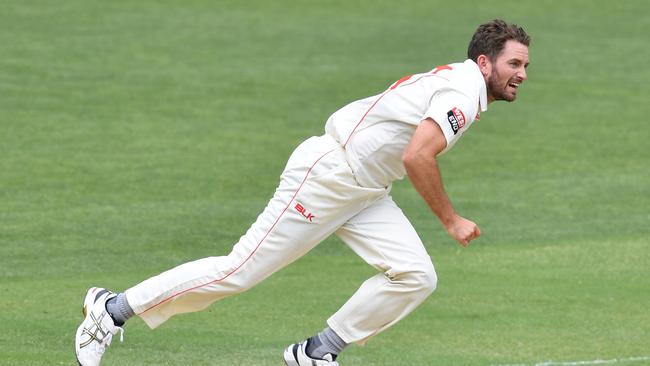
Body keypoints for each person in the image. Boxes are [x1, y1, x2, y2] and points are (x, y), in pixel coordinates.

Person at [75, 19, 531, 366]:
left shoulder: (462, 84)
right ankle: (111, 310)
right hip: (328, 177)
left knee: (416, 275)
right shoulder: (464, 90)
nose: (522, 74)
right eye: (514, 63)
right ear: (484, 62)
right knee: (238, 272)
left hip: (366, 189)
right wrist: (450, 220)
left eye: (526, 65)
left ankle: (316, 352)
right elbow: (418, 157)